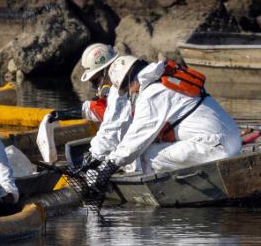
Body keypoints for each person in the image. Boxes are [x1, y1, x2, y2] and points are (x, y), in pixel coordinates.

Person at [81, 59, 242, 194]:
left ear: (132, 80)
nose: (130, 93)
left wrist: (108, 167)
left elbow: (135, 141)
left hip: (215, 147)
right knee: (149, 148)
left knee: (144, 156)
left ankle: (179, 192)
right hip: (232, 140)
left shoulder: (152, 94)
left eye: (126, 89)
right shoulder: (166, 79)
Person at [82, 54, 144, 166]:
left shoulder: (118, 93)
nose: (97, 86)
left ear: (106, 70)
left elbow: (111, 131)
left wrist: (95, 156)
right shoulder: (141, 82)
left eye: (96, 81)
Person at [49, 43, 118, 123]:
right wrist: (63, 114)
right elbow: (92, 109)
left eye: (95, 81)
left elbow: (113, 119)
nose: (96, 86)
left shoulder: (127, 93)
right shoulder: (119, 91)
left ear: (108, 70)